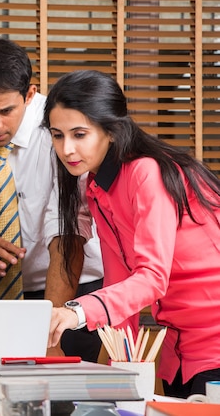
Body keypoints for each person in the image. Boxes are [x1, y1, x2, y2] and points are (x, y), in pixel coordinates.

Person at [45, 69, 220, 398]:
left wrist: (76, 311)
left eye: (79, 134)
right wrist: (117, 372)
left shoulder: (145, 172)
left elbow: (153, 279)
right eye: (58, 135)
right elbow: (118, 282)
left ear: (111, 131)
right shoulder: (97, 187)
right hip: (178, 351)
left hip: (213, 345)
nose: (67, 148)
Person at [0, 35, 104, 361]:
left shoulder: (60, 130)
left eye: (5, 110)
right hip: (2, 293)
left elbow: (68, 237)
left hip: (73, 289)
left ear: (29, 95)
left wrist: (49, 333)